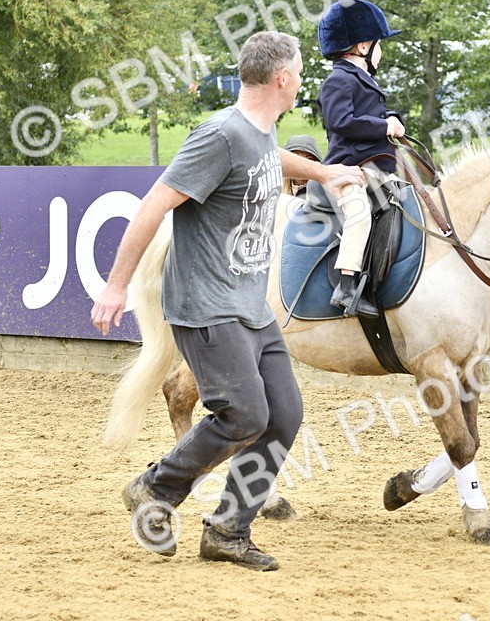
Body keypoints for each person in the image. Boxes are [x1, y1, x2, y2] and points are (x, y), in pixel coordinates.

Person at [90, 31, 362, 569]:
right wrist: (116, 285)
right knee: (243, 415)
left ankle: (227, 531)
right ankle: (154, 488)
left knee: (283, 415)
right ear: (281, 78)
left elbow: (269, 159)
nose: (301, 81)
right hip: (206, 305)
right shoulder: (218, 134)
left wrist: (324, 171)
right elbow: (153, 205)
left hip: (250, 307)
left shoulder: (257, 132)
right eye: (298, 72)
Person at [316, 0, 405, 318]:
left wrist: (392, 118)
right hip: (347, 170)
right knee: (359, 213)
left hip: (374, 170)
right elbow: (341, 121)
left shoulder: (361, 79)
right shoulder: (338, 80)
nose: (381, 52)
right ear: (364, 45)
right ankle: (346, 285)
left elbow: (375, 113)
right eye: (379, 44)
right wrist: (384, 126)